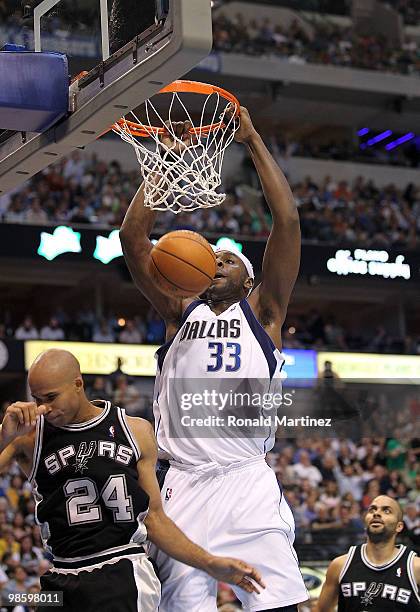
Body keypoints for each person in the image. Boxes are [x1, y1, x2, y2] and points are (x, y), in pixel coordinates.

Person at [120, 107, 308, 611]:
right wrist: (163, 168)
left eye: (229, 259)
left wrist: (251, 139)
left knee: (279, 604)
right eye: (213, 257)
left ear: (250, 279)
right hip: (184, 482)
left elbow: (287, 221)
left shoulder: (264, 315)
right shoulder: (179, 311)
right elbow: (132, 241)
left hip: (248, 479)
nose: (217, 260)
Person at [0, 349, 264, 612]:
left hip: (121, 569)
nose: (44, 407)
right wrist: (4, 435)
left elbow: (155, 519)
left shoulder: (134, 430)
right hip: (60, 575)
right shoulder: (29, 436)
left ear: (78, 384)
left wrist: (208, 562)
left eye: (51, 397)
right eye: (37, 399)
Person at [316, 495, 420, 611]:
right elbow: (321, 610)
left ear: (399, 526)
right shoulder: (340, 565)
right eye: (372, 509)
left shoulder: (415, 567)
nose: (376, 513)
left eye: (386, 511)